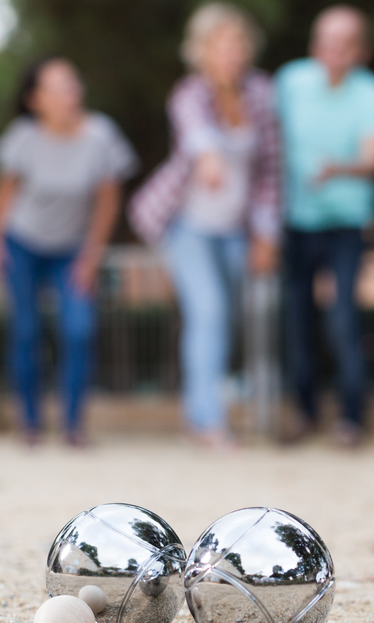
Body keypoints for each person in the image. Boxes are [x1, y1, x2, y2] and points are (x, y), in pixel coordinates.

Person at [129, 3, 280, 449]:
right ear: (203, 51)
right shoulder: (189, 94)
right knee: (208, 312)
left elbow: (271, 170)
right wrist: (210, 157)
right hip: (187, 225)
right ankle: (209, 421)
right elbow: (197, 135)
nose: (233, 52)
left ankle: (196, 412)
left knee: (222, 320)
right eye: (222, 43)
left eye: (239, 42)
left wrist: (267, 233)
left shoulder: (262, 95)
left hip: (235, 228)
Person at [0, 57, 137, 446]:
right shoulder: (22, 137)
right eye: (58, 86)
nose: (71, 92)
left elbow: (107, 201)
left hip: (72, 248)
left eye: (73, 83)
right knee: (26, 330)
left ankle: (73, 425)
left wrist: (91, 256)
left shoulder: (101, 135)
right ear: (36, 99)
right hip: (23, 243)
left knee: (79, 329)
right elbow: (3, 195)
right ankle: (30, 424)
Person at [274, 5, 374, 448]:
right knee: (297, 319)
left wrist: (338, 169)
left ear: (361, 50)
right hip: (295, 220)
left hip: (348, 221)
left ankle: (352, 417)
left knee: (343, 317)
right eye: (326, 41)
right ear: (314, 44)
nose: (333, 51)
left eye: (344, 43)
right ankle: (304, 411)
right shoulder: (289, 82)